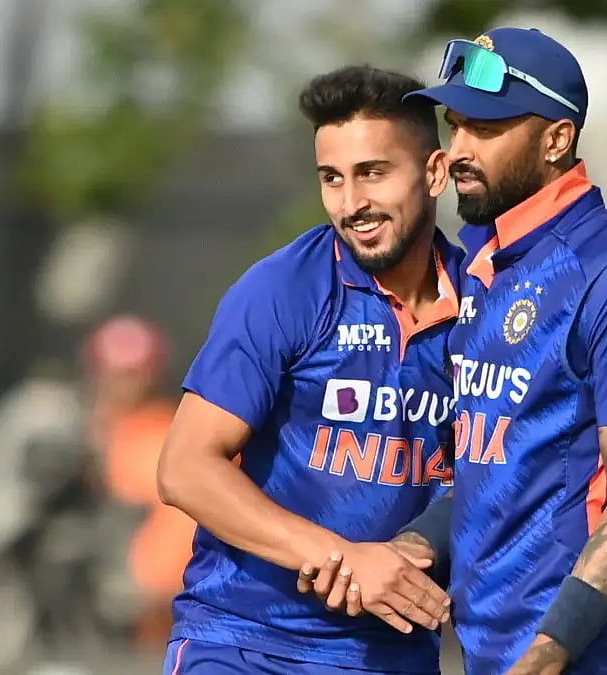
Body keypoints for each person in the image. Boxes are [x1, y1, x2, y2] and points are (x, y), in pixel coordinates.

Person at [300, 28, 607, 675]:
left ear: (556, 139)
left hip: (583, 658)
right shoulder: (487, 264)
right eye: (455, 127)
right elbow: (497, 471)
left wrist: (547, 653)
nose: (457, 151)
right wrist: (409, 547)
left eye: (485, 129)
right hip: (490, 650)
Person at [155, 65, 461, 674]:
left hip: (390, 654)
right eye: (332, 178)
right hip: (242, 642)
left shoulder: (489, 306)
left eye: (373, 173)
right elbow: (184, 468)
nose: (352, 205)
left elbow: (502, 472)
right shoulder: (283, 288)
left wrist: (414, 549)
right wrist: (341, 557)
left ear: (434, 172)